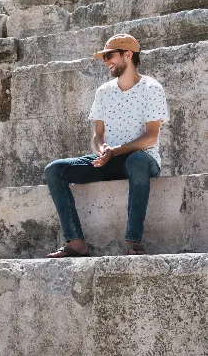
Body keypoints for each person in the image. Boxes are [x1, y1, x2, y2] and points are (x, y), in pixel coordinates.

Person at [44, 34, 169, 257]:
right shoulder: (103, 92)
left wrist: (116, 150)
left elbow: (151, 137)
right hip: (110, 158)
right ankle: (75, 242)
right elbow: (98, 135)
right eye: (103, 57)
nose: (105, 61)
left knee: (138, 160)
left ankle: (134, 241)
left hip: (142, 160)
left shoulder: (152, 88)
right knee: (55, 169)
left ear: (128, 54)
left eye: (109, 56)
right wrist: (102, 150)